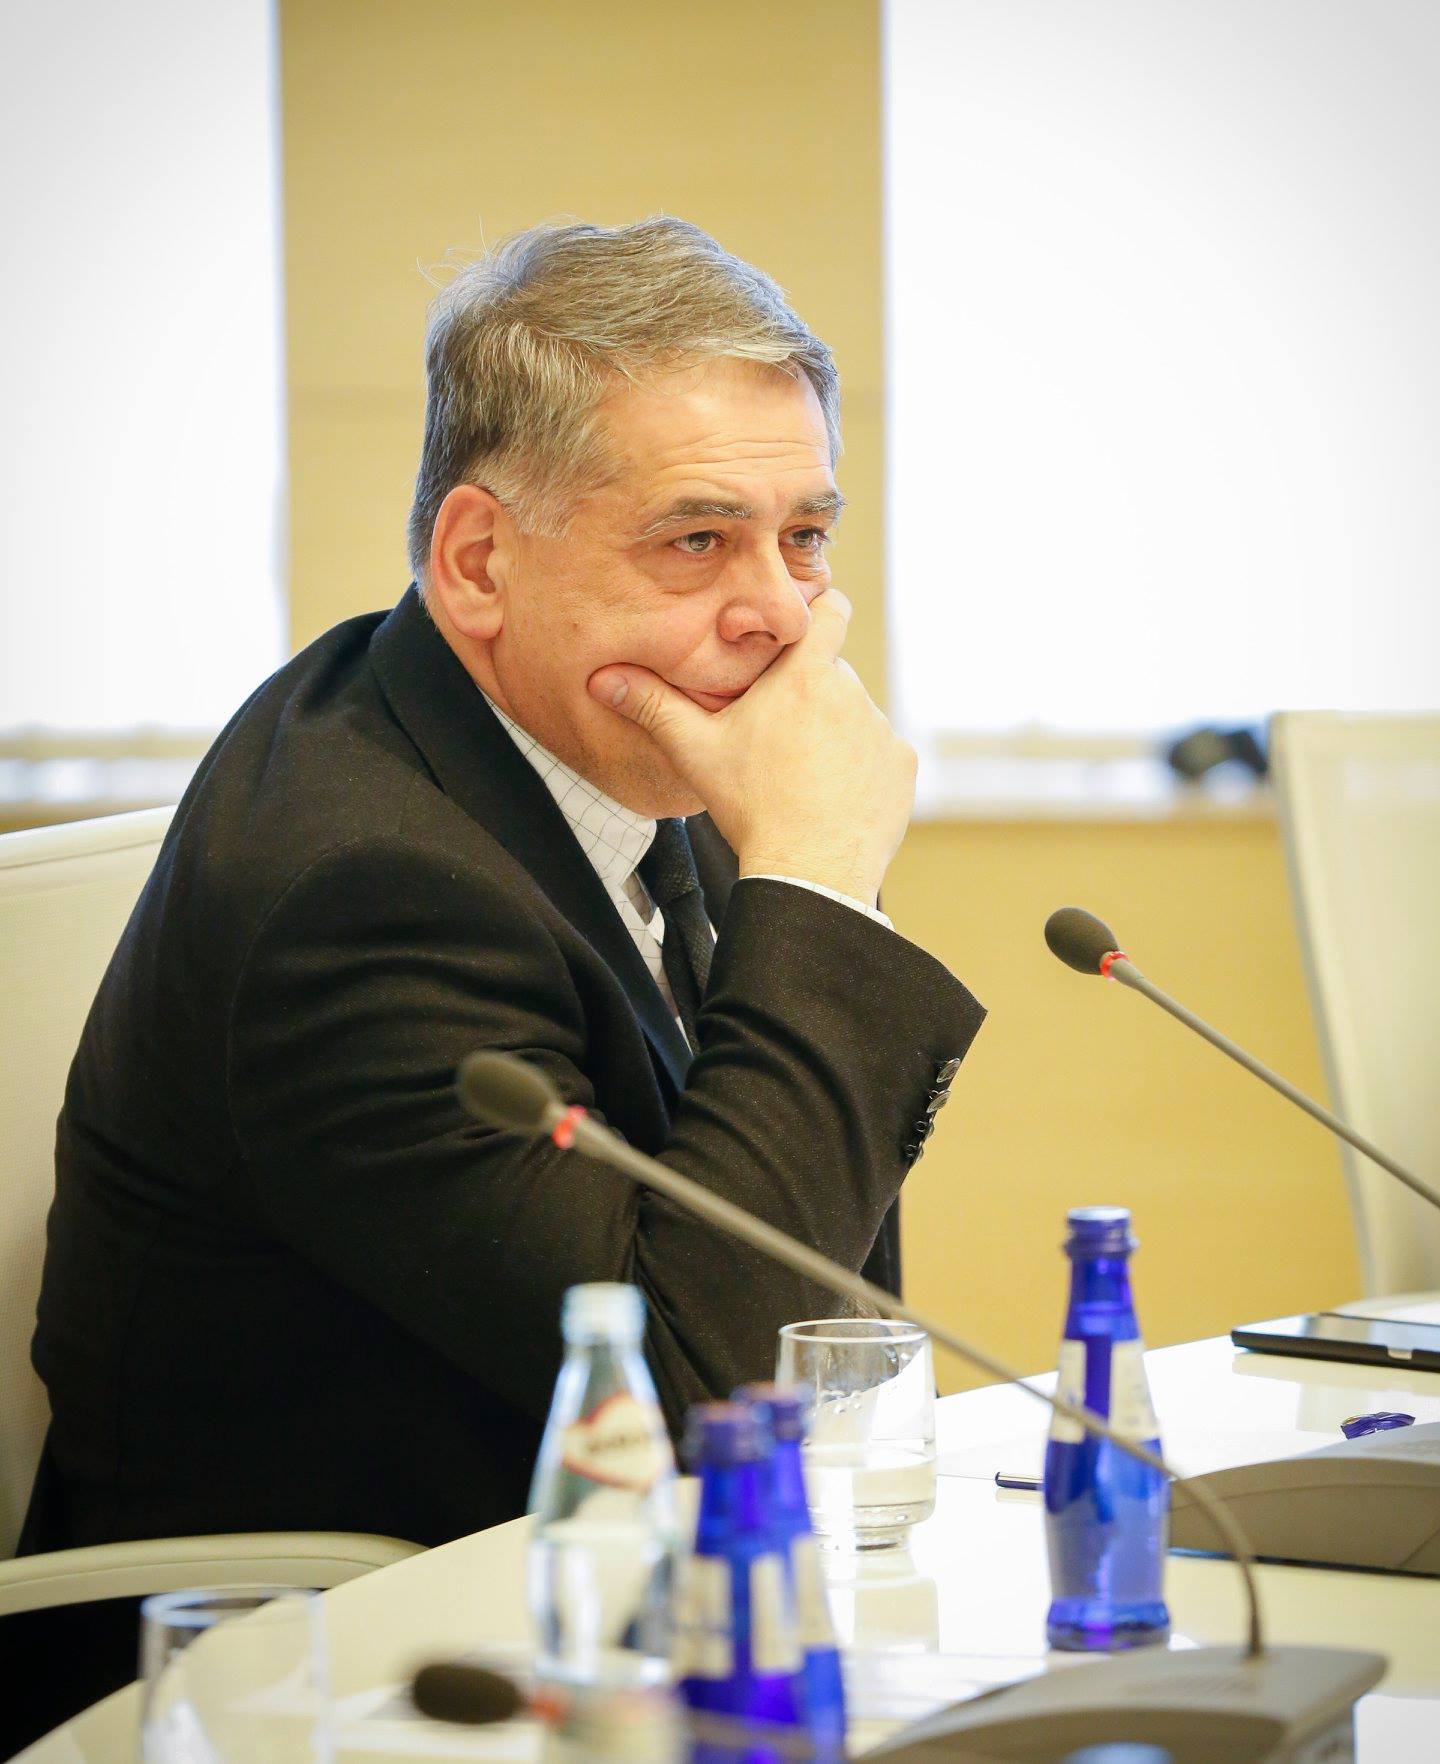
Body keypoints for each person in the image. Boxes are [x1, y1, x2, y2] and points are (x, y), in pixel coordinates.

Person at [10, 217, 982, 1745]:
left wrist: (804, 877)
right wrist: (816, 879)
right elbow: (693, 1403)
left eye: (805, 536)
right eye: (697, 540)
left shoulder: (627, 737)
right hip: (300, 1689)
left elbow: (810, 1310)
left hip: (580, 1618)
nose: (784, 614)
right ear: (477, 562)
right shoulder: (361, 889)